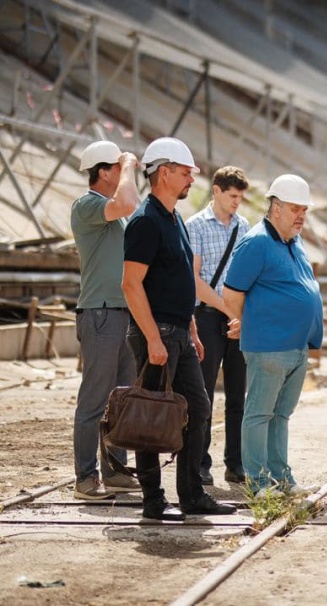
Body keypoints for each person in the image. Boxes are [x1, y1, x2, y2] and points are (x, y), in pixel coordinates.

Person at [121, 137, 236, 520]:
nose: (192, 179)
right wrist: (154, 338)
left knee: (198, 409)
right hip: (157, 333)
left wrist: (191, 328)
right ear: (164, 173)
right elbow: (131, 284)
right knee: (150, 418)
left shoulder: (174, 220)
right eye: (186, 173)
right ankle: (153, 501)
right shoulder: (144, 222)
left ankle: (191, 496)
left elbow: (182, 278)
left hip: (179, 334)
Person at [222, 174, 322, 496]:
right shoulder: (257, 242)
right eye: (295, 208)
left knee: (281, 415)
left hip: (296, 346)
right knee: (259, 413)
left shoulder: (295, 241)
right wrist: (245, 321)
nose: (301, 216)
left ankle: (282, 479)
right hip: (268, 346)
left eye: (304, 210)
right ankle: (259, 482)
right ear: (276, 207)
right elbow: (231, 293)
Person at [70, 141, 142, 500]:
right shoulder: (88, 206)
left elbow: (133, 207)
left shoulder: (115, 213)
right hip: (100, 313)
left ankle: (114, 469)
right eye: (116, 167)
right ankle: (85, 477)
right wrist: (128, 163)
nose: (123, 173)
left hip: (121, 312)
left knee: (121, 399)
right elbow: (127, 202)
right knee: (95, 400)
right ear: (103, 171)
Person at [187, 166, 251, 486]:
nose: (237, 202)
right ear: (216, 191)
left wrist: (242, 314)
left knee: (238, 394)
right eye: (232, 196)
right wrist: (228, 308)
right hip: (209, 316)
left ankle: (236, 463)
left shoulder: (245, 227)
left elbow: (249, 276)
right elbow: (194, 280)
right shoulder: (195, 226)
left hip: (238, 318)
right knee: (204, 393)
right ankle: (200, 461)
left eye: (241, 197)